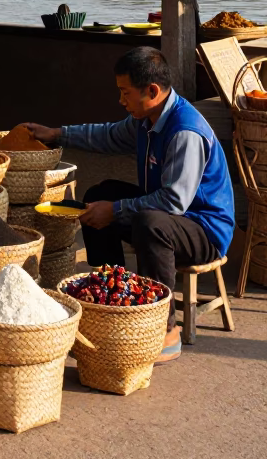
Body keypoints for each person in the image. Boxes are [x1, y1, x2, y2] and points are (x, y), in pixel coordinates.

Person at [26, 47, 235, 362]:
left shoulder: (184, 131)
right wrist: (57, 134)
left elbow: (174, 202)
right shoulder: (145, 119)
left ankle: (163, 330)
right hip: (168, 217)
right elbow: (107, 136)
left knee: (149, 222)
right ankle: (112, 298)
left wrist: (116, 210)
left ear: (151, 91)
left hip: (205, 230)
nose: (121, 100)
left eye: (125, 92)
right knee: (100, 194)